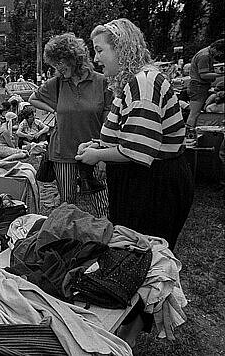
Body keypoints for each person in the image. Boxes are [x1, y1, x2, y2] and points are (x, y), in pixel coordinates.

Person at [77, 18, 194, 345]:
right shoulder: (132, 82)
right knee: (132, 249)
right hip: (144, 181)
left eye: (100, 51)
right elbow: (128, 138)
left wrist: (97, 156)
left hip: (154, 185)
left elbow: (138, 151)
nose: (96, 59)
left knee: (143, 254)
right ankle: (132, 324)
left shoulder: (143, 83)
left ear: (121, 48)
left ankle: (133, 329)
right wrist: (98, 146)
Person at [29, 33, 111, 218]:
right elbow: (33, 98)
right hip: (62, 151)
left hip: (94, 149)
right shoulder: (57, 84)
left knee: (102, 201)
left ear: (73, 57)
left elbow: (108, 119)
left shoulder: (101, 82)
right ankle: (69, 237)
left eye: (60, 61)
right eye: (54, 63)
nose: (57, 67)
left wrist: (104, 151)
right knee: (67, 202)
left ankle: (106, 236)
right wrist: (55, 109)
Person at [185, 39, 224, 140]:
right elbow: (204, 75)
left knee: (194, 113)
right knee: (194, 113)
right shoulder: (204, 56)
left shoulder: (205, 53)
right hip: (198, 86)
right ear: (215, 49)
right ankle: (188, 136)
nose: (219, 54)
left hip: (199, 86)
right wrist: (220, 74)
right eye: (220, 52)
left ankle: (190, 134)